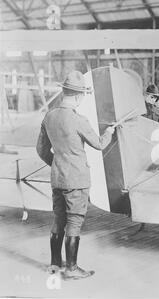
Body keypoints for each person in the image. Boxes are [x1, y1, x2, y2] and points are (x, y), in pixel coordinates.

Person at [36, 70, 115, 280]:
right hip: (76, 180)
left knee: (58, 220)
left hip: (57, 179)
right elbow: (99, 144)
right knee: (74, 222)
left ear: (64, 92)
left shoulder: (49, 116)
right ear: (79, 96)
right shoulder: (78, 119)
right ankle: (71, 269)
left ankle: (54, 265)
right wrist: (109, 132)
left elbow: (41, 150)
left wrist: (57, 164)